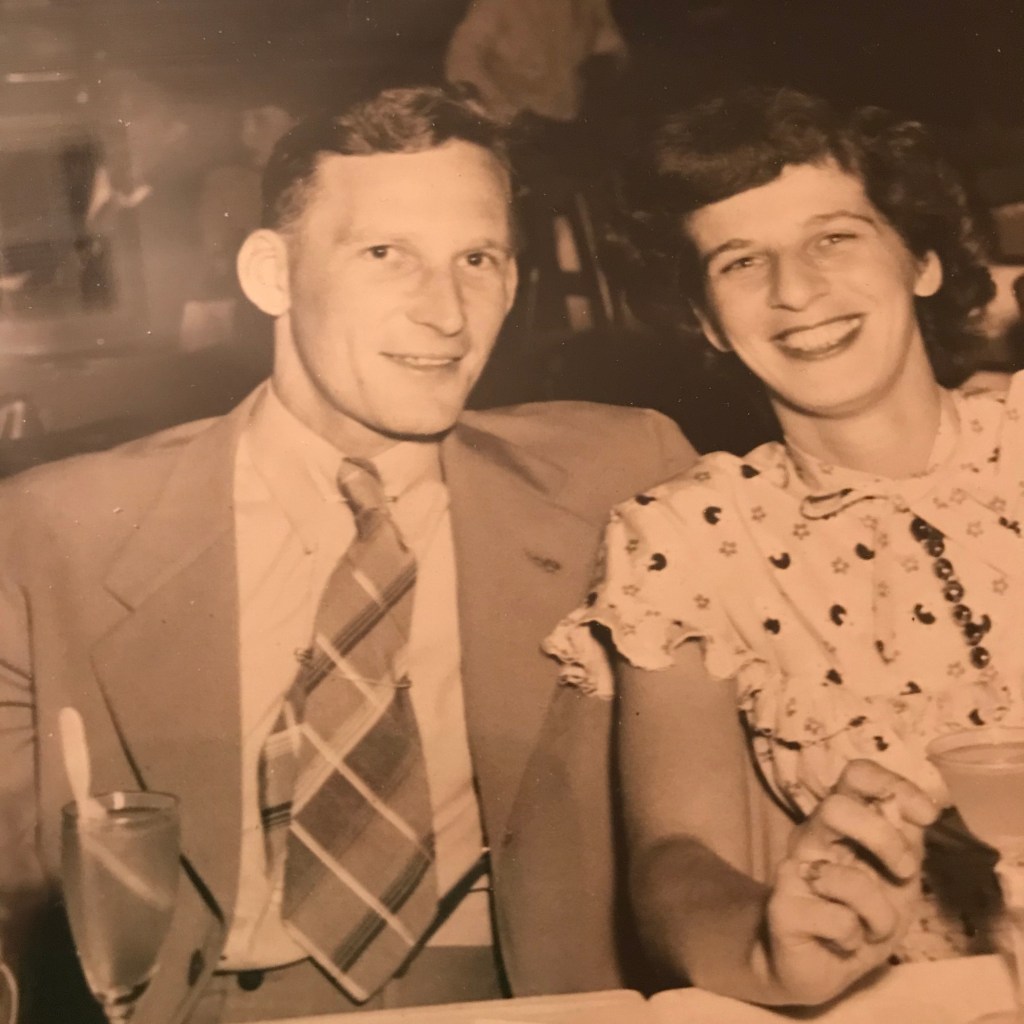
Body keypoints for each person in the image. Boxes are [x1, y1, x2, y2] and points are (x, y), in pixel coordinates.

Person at [0, 85, 696, 1023]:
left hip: (516, 997)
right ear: (272, 276)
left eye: (478, 259)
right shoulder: (56, 535)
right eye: (385, 255)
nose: (446, 313)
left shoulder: (618, 478)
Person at [545, 85, 1023, 1007]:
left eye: (834, 238)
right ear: (708, 321)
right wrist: (768, 949)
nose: (795, 291)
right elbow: (678, 861)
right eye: (739, 261)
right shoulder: (687, 537)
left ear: (922, 258)